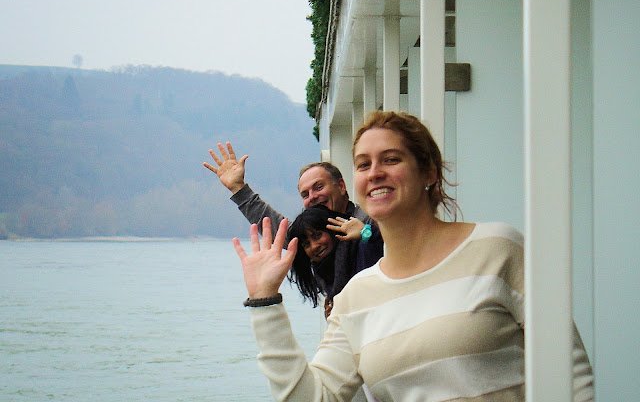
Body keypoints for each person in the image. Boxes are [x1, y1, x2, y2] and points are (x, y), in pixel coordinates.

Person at [231, 111, 594, 401]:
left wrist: (367, 232)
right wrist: (265, 303)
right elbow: (313, 398)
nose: (375, 173)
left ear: (429, 172)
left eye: (391, 159)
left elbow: (570, 374)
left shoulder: (497, 249)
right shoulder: (355, 298)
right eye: (363, 164)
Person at [203, 142, 372, 235]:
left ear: (341, 186)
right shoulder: (310, 237)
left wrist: (366, 235)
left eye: (319, 187)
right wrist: (238, 188)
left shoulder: (369, 221)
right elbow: (273, 225)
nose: (312, 196)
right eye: (305, 194)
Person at [287, 205, 383, 317]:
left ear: (332, 230)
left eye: (318, 235)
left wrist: (367, 233)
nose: (314, 246)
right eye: (306, 244)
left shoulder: (363, 248)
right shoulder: (324, 277)